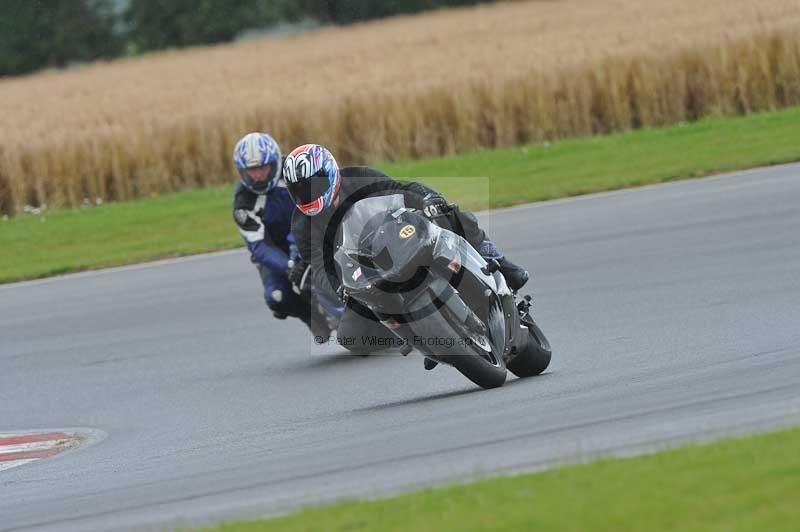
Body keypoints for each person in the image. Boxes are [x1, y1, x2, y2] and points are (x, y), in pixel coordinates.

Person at [282, 143, 529, 355]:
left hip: (395, 237)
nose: (308, 194)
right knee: (350, 336)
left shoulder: (359, 178)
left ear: (331, 172)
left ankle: (497, 259)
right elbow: (320, 268)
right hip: (364, 271)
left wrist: (429, 201)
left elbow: (401, 190)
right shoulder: (302, 226)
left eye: (313, 186)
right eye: (300, 191)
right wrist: (341, 289)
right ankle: (416, 337)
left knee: (451, 213)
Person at [231, 133, 335, 340]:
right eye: (252, 170)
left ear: (275, 162)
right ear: (242, 171)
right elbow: (259, 246)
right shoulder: (243, 204)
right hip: (275, 252)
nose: (258, 175)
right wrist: (289, 266)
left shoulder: (296, 169)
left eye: (262, 168)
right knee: (277, 298)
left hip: (311, 231)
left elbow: (328, 187)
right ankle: (312, 319)